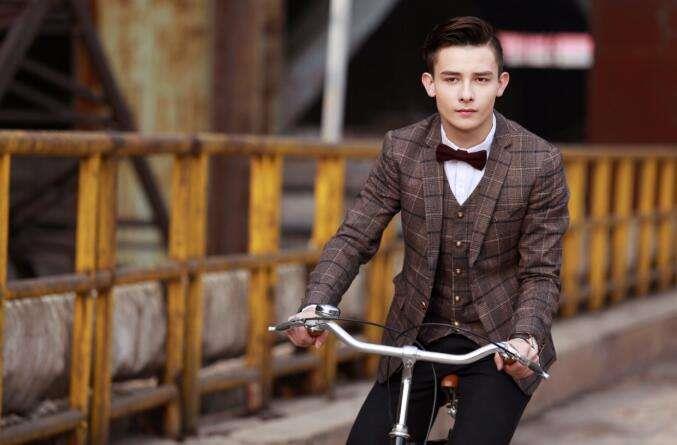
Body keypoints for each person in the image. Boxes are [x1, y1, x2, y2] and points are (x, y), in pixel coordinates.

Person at [286, 16, 569, 445]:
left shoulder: (539, 161)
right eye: (452, 79)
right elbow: (355, 236)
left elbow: (541, 271)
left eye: (481, 79)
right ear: (430, 84)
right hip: (416, 333)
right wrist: (316, 303)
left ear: (501, 84)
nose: (466, 93)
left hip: (499, 338)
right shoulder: (401, 149)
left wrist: (526, 337)